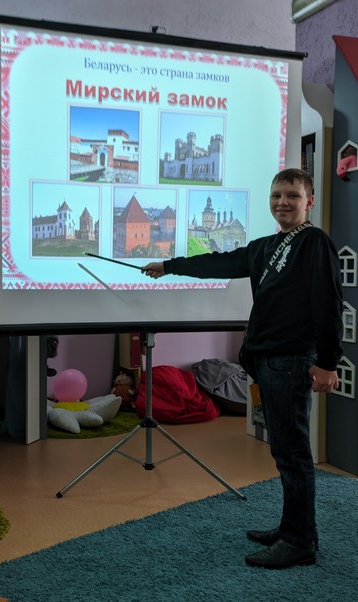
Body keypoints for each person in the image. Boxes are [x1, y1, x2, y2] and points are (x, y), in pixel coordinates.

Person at [142, 168, 343, 569]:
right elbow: (219, 263)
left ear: (309, 202)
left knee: (293, 454)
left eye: (292, 195)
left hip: (291, 361)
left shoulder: (314, 243)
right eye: (276, 195)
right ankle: (293, 528)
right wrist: (169, 265)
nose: (282, 202)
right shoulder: (266, 246)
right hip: (267, 360)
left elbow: (328, 301)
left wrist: (327, 362)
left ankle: (300, 542)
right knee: (283, 451)